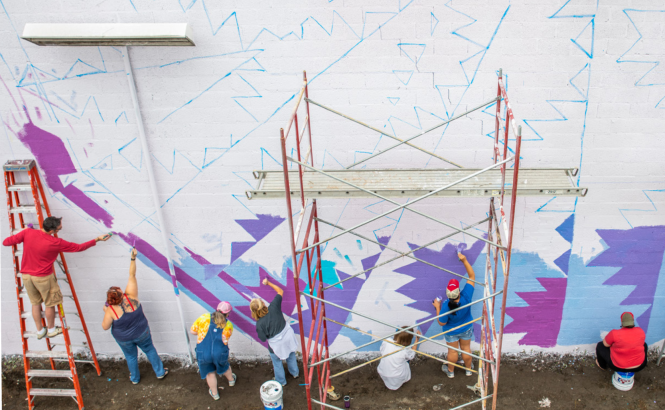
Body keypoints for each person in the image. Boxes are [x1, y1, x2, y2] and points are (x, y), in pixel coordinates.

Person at [3, 216, 110, 339]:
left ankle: (39, 331)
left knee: (35, 303)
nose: (60, 230)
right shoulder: (55, 242)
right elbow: (79, 248)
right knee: (50, 303)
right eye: (59, 229)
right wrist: (97, 239)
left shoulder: (28, 232)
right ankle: (51, 329)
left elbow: (6, 242)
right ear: (52, 231)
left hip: (27, 276)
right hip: (43, 278)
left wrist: (25, 232)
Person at [102, 248, 168, 384]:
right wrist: (133, 258)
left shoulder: (111, 311)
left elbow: (105, 327)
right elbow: (132, 275)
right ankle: (160, 372)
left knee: (131, 357)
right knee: (150, 349)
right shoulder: (132, 297)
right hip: (142, 333)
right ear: (121, 294)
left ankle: (135, 378)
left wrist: (105, 310)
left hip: (124, 339)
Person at [432, 251, 476, 378]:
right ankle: (468, 370)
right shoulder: (466, 296)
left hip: (451, 331)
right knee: (466, 349)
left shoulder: (445, 306)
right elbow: (472, 276)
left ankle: (450, 371)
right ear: (458, 292)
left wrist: (437, 307)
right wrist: (464, 260)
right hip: (466, 327)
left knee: (452, 350)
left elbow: (441, 322)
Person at [250, 278, 299, 386]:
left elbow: (263, 338)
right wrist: (268, 283)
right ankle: (295, 373)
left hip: (275, 344)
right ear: (263, 304)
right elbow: (280, 291)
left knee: (277, 362)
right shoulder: (274, 307)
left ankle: (281, 381)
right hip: (288, 336)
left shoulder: (259, 324)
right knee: (291, 354)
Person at [190, 301, 237, 400]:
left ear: (216, 309)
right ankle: (231, 380)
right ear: (227, 314)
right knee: (225, 366)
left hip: (203, 352)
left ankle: (215, 394)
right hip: (219, 352)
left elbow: (193, 331)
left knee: (210, 373)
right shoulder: (229, 325)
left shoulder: (204, 317)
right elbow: (225, 339)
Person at [596, 312, 648, 385]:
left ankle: (602, 365)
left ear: (622, 322)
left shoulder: (615, 333)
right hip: (640, 366)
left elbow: (605, 344)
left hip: (618, 367)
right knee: (644, 345)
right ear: (633, 321)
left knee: (600, 345)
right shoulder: (640, 331)